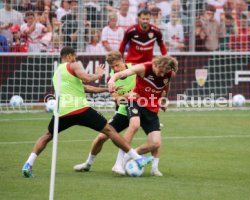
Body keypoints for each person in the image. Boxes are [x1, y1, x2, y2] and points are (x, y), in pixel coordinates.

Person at [22, 46, 153, 178]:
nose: (76, 59)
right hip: (80, 109)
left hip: (62, 111)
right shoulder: (74, 65)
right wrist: (98, 75)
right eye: (74, 56)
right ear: (69, 56)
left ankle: (28, 163)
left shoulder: (58, 73)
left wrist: (107, 90)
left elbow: (86, 88)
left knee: (47, 136)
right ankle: (137, 158)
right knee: (110, 131)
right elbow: (87, 79)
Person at [108, 55, 178, 176]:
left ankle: (136, 157)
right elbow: (123, 73)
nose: (162, 75)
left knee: (155, 143)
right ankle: (118, 163)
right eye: (160, 71)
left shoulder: (169, 73)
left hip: (151, 106)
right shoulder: (144, 68)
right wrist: (112, 79)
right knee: (134, 125)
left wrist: (164, 99)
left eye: (164, 72)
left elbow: (166, 85)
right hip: (135, 101)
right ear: (155, 65)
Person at [73, 50, 136, 172]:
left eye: (117, 65)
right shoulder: (112, 78)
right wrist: (130, 96)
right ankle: (88, 164)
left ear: (123, 60)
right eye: (112, 67)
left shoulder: (135, 69)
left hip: (141, 108)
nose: (116, 69)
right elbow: (117, 99)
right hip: (124, 110)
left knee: (153, 141)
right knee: (101, 138)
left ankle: (147, 164)